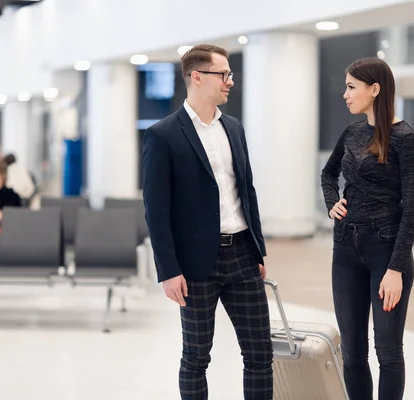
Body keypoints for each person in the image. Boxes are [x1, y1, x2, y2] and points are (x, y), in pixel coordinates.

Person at [142, 44, 272, 399]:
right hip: (196, 262)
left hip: (243, 254)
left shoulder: (234, 128)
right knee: (197, 356)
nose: (230, 81)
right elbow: (156, 209)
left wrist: (258, 250)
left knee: (261, 354)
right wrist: (168, 269)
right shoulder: (163, 135)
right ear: (196, 77)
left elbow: (247, 190)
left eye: (230, 74)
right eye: (223, 74)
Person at [320, 57, 414, 400]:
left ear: (374, 89)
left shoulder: (405, 139)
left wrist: (395, 268)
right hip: (345, 250)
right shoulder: (352, 132)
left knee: (388, 352)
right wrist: (332, 201)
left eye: (351, 87)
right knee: (352, 353)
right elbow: (328, 173)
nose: (345, 95)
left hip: (387, 252)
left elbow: (412, 208)